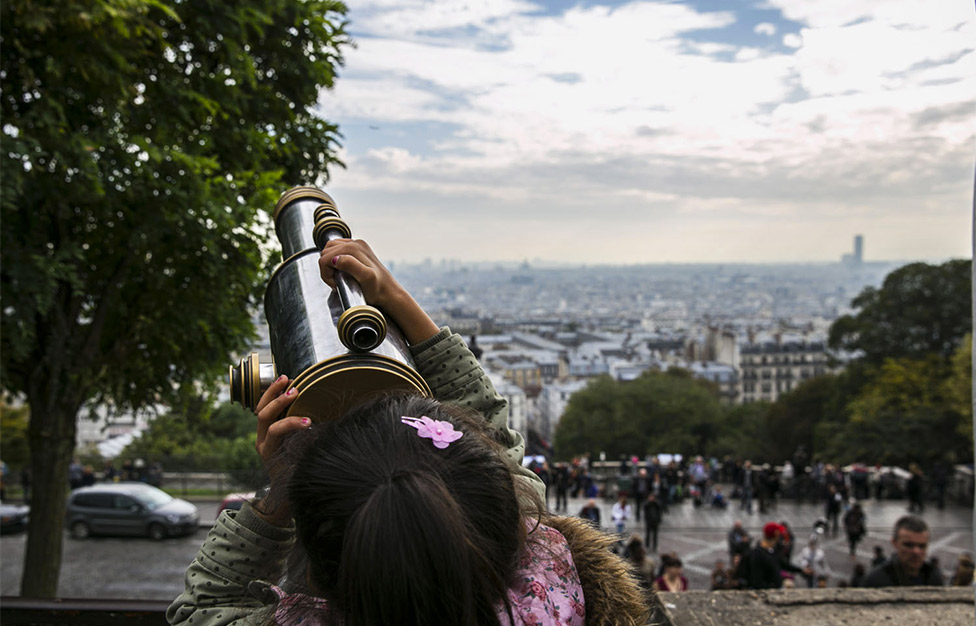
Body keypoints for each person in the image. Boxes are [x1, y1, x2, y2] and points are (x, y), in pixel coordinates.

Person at [167, 239, 650, 626]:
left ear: (320, 565)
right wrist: (396, 298)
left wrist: (276, 499)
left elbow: (205, 606)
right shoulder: (552, 588)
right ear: (499, 507)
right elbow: (496, 439)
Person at [864, 515, 944, 587]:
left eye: (922, 546)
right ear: (895, 543)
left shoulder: (934, 576)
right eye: (909, 545)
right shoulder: (876, 581)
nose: (916, 552)